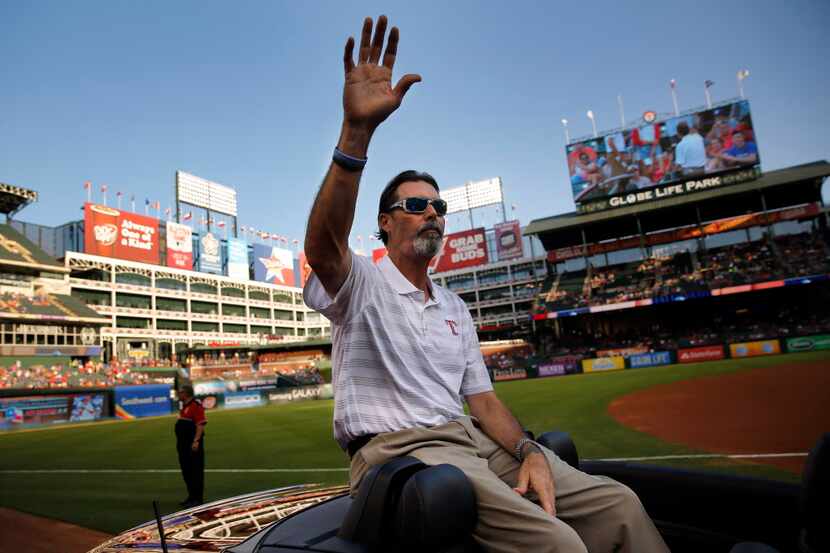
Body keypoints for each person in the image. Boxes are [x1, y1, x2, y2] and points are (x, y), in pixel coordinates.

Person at [303, 15, 669, 553]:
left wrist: (528, 450)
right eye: (415, 205)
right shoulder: (360, 282)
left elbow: (483, 399)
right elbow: (323, 247)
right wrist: (356, 132)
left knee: (620, 506)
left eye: (439, 207)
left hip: (470, 442)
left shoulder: (453, 304)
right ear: (384, 221)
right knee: (560, 544)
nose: (432, 214)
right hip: (402, 454)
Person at [175, 384, 206, 507]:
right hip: (183, 446)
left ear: (186, 393)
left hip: (192, 445)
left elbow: (200, 424)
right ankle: (191, 497)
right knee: (187, 472)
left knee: (195, 472)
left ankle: (197, 499)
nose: (179, 394)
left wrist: (196, 441)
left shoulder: (195, 406)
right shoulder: (185, 407)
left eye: (181, 392)